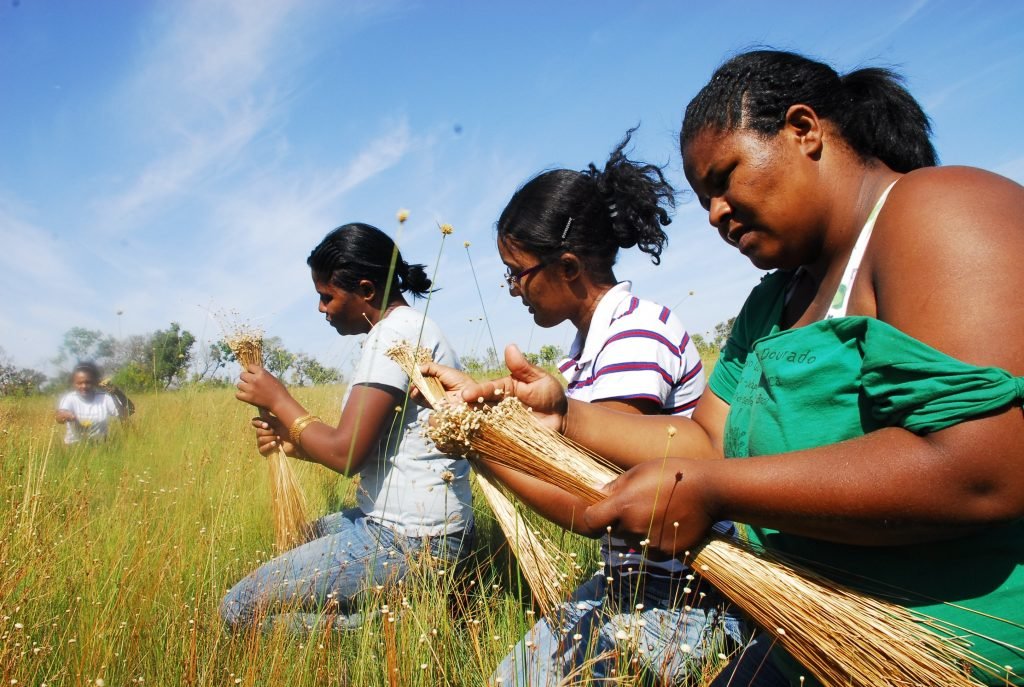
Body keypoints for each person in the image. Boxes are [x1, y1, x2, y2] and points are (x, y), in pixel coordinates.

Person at [427, 50, 1024, 685]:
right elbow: (706, 441)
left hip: (956, 645)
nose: (715, 214)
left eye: (724, 179)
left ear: (803, 129)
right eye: (704, 197)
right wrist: (564, 415)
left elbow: (983, 469)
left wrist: (714, 492)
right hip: (810, 634)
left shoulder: (940, 208)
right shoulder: (773, 302)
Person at [484, 129, 756, 686]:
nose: (514, 289)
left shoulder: (635, 334)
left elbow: (593, 500)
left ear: (566, 267)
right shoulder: (585, 351)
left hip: (680, 597)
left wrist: (480, 445)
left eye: (518, 273)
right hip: (630, 585)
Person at [222, 222, 474, 632]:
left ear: (366, 290)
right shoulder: (410, 328)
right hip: (421, 528)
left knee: (239, 608)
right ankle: (408, 607)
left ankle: (393, 627)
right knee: (300, 537)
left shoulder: (391, 337)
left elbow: (347, 454)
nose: (321, 308)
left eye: (327, 297)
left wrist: (279, 400)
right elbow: (372, 447)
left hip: (409, 539)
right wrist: (294, 443)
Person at [55, 362, 126, 444]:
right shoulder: (69, 398)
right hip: (75, 447)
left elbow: (125, 414)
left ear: (95, 382)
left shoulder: (104, 398)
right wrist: (66, 415)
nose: (84, 386)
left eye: (88, 382)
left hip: (101, 445)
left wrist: (117, 393)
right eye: (79, 383)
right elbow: (59, 416)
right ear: (74, 384)